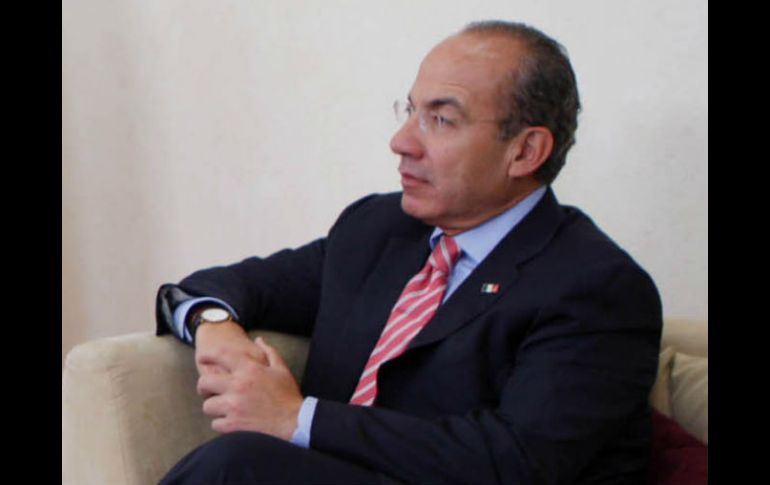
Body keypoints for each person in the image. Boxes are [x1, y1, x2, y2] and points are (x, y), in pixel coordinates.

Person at [155, 20, 662, 485]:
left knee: (239, 463)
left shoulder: (597, 287)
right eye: (411, 111)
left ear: (525, 151)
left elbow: (516, 460)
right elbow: (218, 286)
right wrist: (214, 325)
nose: (402, 141)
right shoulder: (378, 230)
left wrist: (296, 416)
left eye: (441, 120)